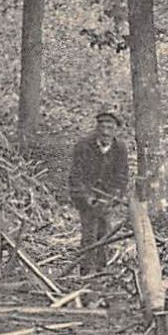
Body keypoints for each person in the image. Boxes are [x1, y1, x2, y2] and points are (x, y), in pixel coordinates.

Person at [68, 109, 131, 274]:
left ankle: (102, 269)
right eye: (102, 127)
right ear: (97, 128)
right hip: (87, 196)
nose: (105, 132)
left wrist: (115, 196)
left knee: (105, 232)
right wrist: (85, 196)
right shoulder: (83, 146)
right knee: (89, 233)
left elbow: (122, 175)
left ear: (115, 130)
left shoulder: (120, 148)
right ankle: (86, 269)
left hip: (107, 196)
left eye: (109, 128)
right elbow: (75, 175)